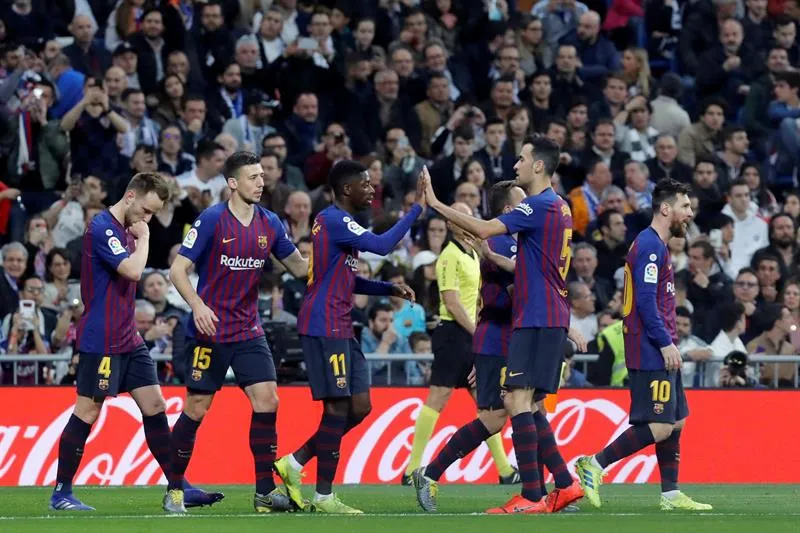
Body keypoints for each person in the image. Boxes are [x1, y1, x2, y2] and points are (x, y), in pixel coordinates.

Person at [414, 135, 586, 514]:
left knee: (517, 405)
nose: (515, 164)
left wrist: (437, 205)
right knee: (516, 407)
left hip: (532, 322)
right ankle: (557, 487)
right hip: (508, 333)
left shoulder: (533, 212)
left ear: (538, 166)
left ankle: (540, 492)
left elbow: (493, 236)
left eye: (521, 159)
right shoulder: (555, 209)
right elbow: (521, 271)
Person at [48, 173, 221, 511]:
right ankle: (61, 492)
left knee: (155, 406)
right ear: (129, 197)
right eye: (145, 211)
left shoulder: (126, 226)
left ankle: (177, 485)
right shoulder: (102, 228)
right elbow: (131, 270)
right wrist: (143, 239)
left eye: (152, 214)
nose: (147, 219)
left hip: (129, 337)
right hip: (102, 339)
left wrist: (139, 231)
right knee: (88, 409)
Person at [272, 161, 422, 514]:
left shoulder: (335, 224)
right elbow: (384, 245)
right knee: (337, 407)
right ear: (346, 190)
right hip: (324, 324)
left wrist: (388, 288)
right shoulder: (336, 219)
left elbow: (345, 278)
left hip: (339, 325)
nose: (372, 189)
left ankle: (295, 462)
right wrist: (417, 209)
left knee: (360, 406)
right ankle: (323, 495)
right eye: (365, 184)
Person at [164, 152, 309, 514]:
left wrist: (334, 253)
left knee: (268, 401)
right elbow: (178, 270)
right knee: (197, 407)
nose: (261, 182)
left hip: (248, 330)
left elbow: (300, 267)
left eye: (262, 176)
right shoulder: (212, 219)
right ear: (232, 183)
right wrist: (198, 306)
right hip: (210, 329)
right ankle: (174, 490)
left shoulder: (271, 223)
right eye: (252, 177)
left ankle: (263, 492)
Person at [575, 178, 713, 511]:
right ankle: (593, 463)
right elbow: (646, 304)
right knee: (661, 424)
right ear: (666, 209)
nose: (690, 214)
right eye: (685, 206)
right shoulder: (650, 245)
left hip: (660, 344)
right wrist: (665, 343)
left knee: (676, 420)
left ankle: (670, 494)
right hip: (651, 348)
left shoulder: (655, 245)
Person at [408, 181, 532, 504]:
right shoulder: (483, 248)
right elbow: (460, 300)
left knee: (506, 412)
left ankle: (529, 483)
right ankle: (421, 470)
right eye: (523, 202)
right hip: (468, 335)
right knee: (478, 409)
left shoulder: (482, 252)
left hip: (494, 338)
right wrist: (480, 343)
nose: (528, 205)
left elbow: (480, 297)